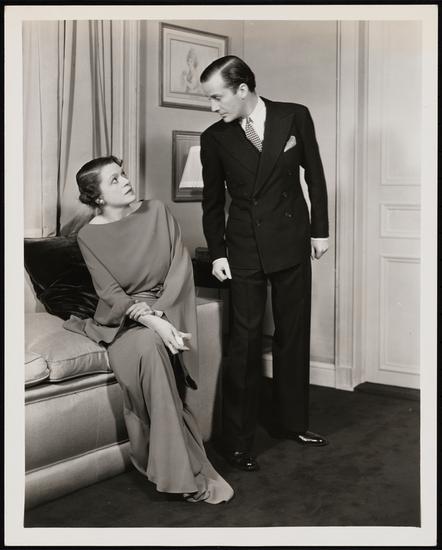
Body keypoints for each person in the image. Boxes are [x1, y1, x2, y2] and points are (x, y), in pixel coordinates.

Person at [64, 155, 234, 504]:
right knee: (150, 345)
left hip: (168, 305)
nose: (126, 181)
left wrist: (163, 314)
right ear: (97, 196)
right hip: (124, 322)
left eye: (123, 174)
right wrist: (151, 320)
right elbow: (110, 294)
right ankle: (181, 472)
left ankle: (175, 470)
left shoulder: (156, 211)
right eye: (114, 179)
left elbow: (179, 268)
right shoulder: (87, 236)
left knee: (155, 344)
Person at [199, 55, 330, 472]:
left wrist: (320, 231)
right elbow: (212, 202)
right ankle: (237, 442)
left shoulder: (294, 116)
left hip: (291, 239)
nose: (212, 107)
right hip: (244, 246)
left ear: (242, 89)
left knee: (293, 333)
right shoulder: (213, 138)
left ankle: (293, 423)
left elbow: (315, 175)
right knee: (245, 341)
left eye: (217, 97)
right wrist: (217, 252)